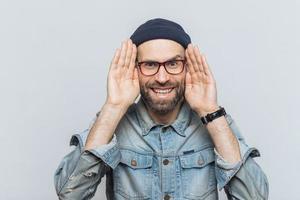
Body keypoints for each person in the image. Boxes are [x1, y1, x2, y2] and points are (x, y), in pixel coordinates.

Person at [54, 18, 269, 200]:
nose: (162, 78)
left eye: (173, 63)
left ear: (188, 67)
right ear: (134, 69)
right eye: (150, 65)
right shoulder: (112, 123)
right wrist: (114, 106)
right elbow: (69, 194)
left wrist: (209, 109)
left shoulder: (214, 121)